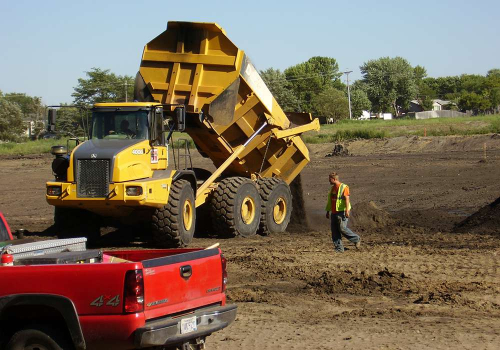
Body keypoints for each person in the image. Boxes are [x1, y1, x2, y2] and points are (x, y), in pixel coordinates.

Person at [325, 172, 361, 252]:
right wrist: (328, 211)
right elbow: (330, 201)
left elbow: (347, 199)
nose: (329, 181)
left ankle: (356, 239)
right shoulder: (332, 189)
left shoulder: (344, 187)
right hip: (334, 212)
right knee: (334, 231)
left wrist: (347, 210)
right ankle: (339, 248)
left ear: (334, 179)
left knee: (342, 228)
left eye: (330, 179)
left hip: (342, 212)